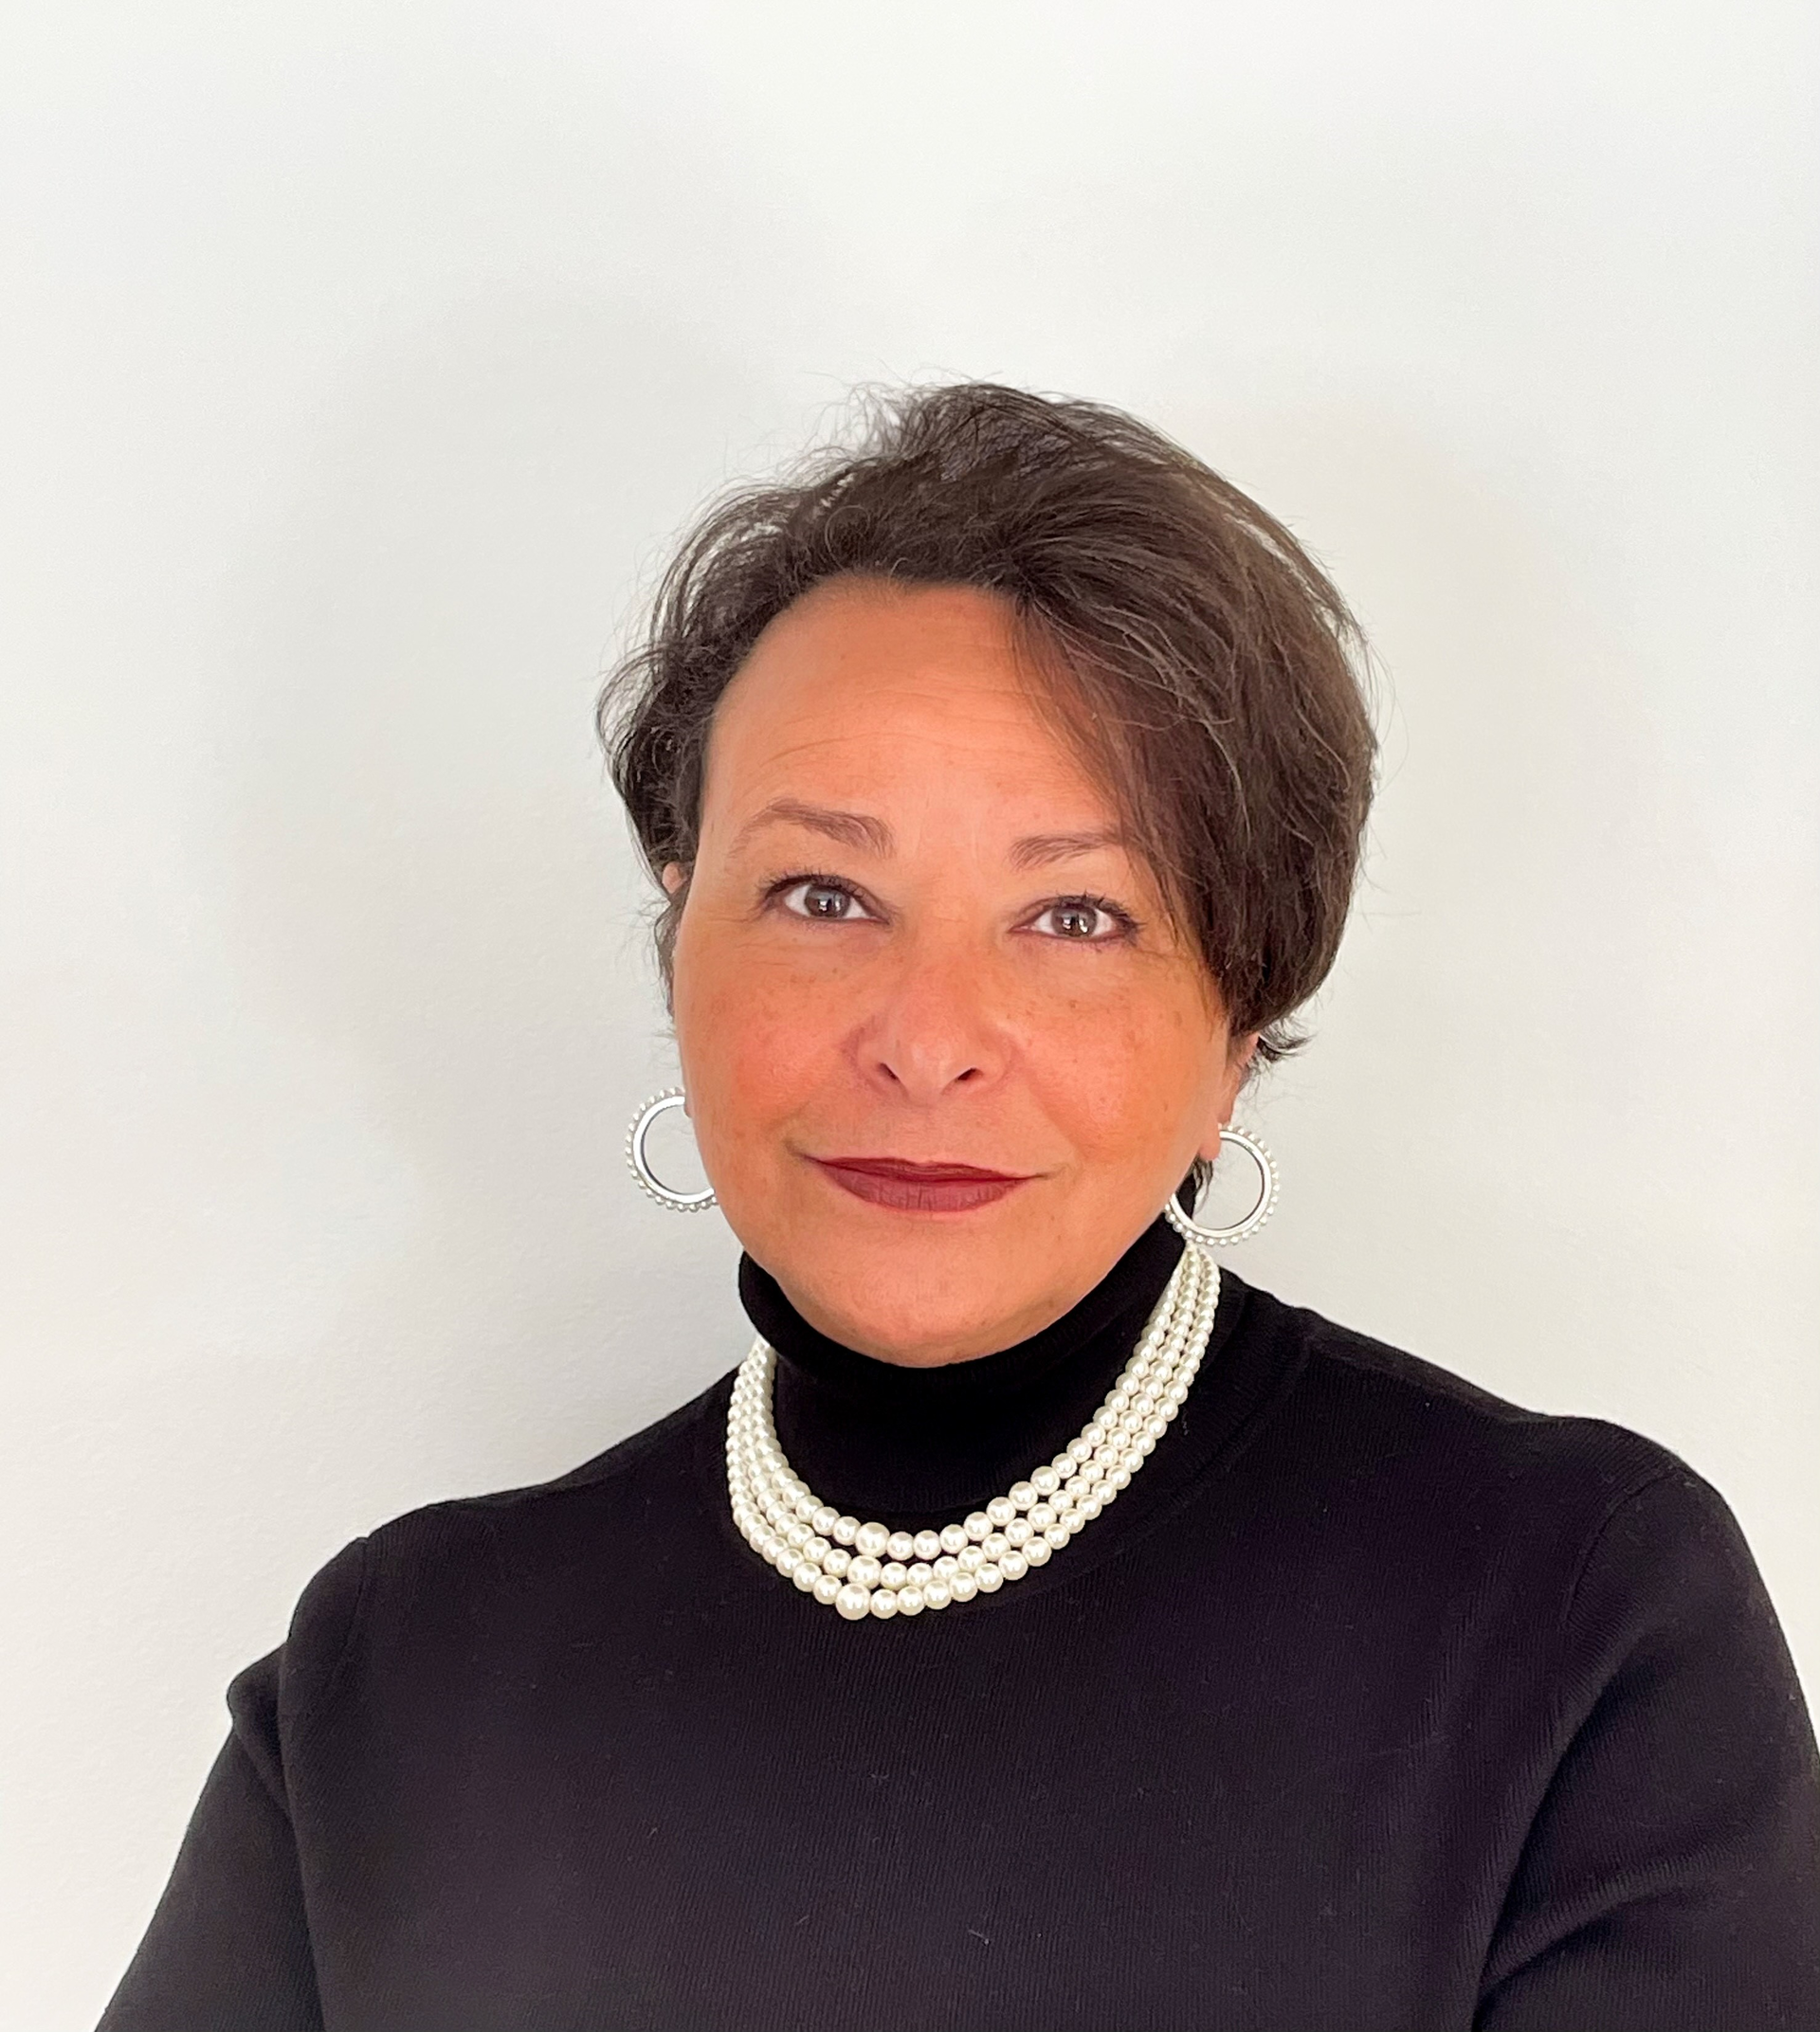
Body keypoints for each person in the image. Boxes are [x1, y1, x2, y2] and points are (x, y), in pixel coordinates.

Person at [100, 385, 1819, 2030]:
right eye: (823, 893)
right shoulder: (393, 1682)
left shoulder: (1572, 1624)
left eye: (1077, 917)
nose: (927, 1042)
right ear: (680, 942)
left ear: (1238, 1030)